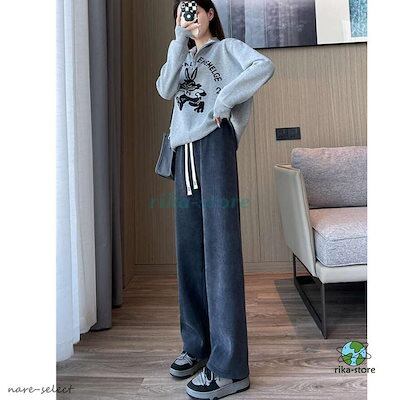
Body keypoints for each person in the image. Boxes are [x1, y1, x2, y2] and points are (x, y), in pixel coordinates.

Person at [155, 1, 275, 398]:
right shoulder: (181, 55)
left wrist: (223, 101)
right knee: (190, 252)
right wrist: (178, 40)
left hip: (213, 146)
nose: (188, 17)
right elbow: (165, 89)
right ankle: (198, 346)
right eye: (181, 12)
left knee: (221, 252)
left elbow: (263, 66)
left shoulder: (228, 48)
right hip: (183, 153)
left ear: (209, 13)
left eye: (193, 10)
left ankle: (230, 367)